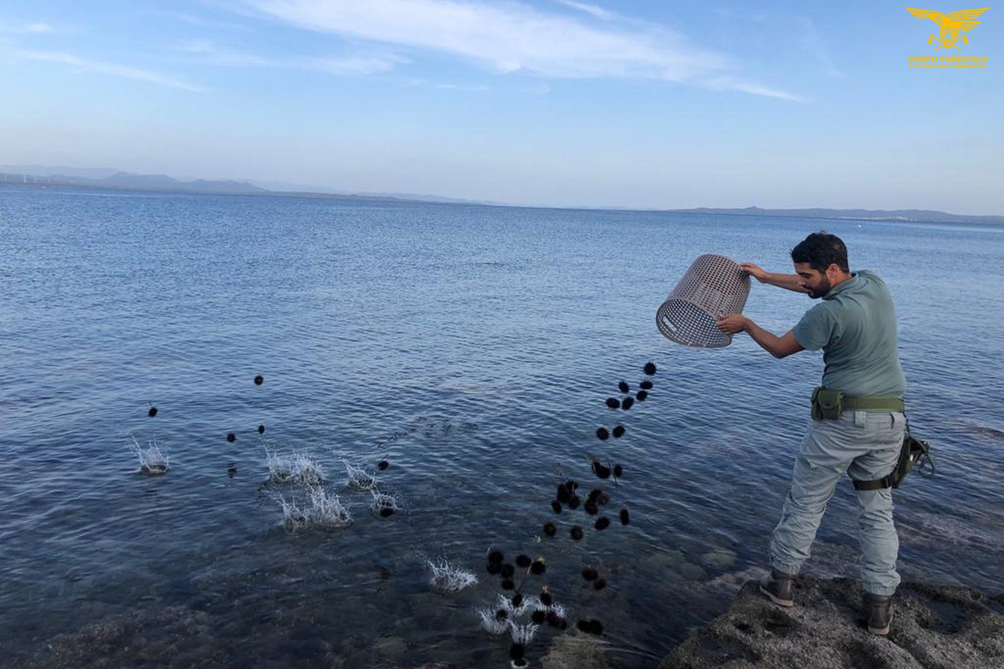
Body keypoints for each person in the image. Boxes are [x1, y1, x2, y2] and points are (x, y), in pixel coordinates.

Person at [716, 232, 906, 636]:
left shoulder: (826, 315)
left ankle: (781, 582)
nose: (801, 282)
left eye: (806, 275)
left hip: (841, 424)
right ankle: (879, 608)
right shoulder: (874, 284)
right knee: (877, 511)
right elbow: (811, 286)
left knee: (806, 503)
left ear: (832, 270)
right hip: (889, 421)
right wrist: (766, 278)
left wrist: (747, 323)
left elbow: (780, 348)